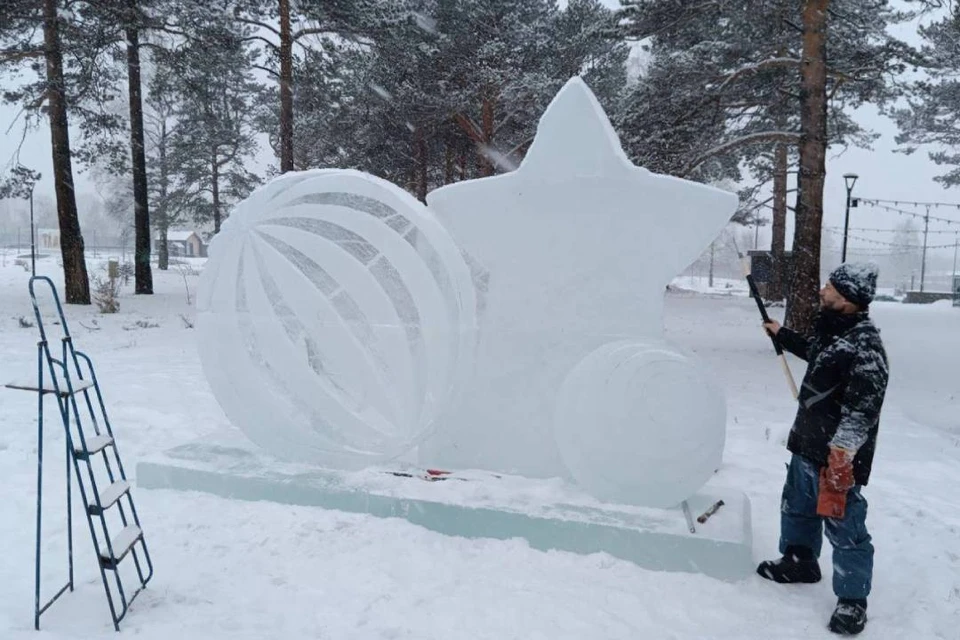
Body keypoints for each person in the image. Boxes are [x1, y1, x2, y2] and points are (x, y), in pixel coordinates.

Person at [757, 262, 889, 636]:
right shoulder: (834, 332)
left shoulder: (866, 347)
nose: (822, 290)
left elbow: (861, 411)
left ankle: (852, 601)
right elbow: (816, 350)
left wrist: (842, 455)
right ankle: (800, 560)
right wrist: (782, 334)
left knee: (844, 525)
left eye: (830, 287)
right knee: (797, 505)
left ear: (848, 299)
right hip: (807, 443)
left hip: (836, 457)